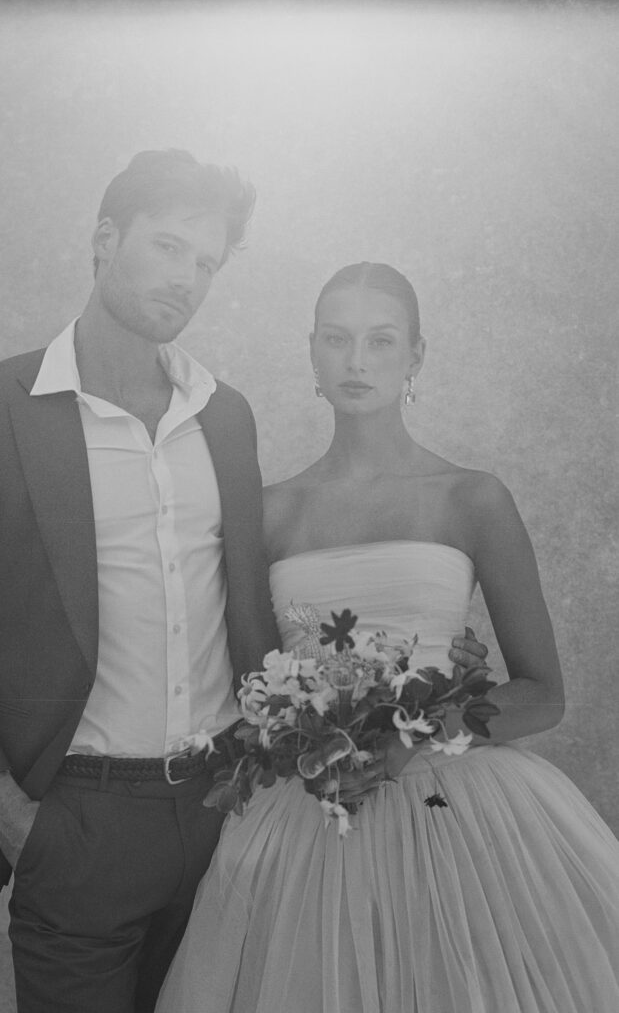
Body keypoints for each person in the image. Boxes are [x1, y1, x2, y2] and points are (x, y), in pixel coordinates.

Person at [0, 160, 484, 1013]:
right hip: (78, 820)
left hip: (228, 815)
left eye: (207, 263)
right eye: (168, 246)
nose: (186, 278)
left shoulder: (223, 414)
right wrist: (5, 809)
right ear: (104, 242)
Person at [155, 261, 619, 1013]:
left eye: (380, 340)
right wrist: (309, 738)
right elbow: (249, 690)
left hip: (458, 814)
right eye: (337, 339)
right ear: (311, 353)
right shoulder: (268, 514)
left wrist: (418, 733)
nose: (357, 359)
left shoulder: (471, 498)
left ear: (415, 355)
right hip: (307, 815)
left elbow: (543, 695)